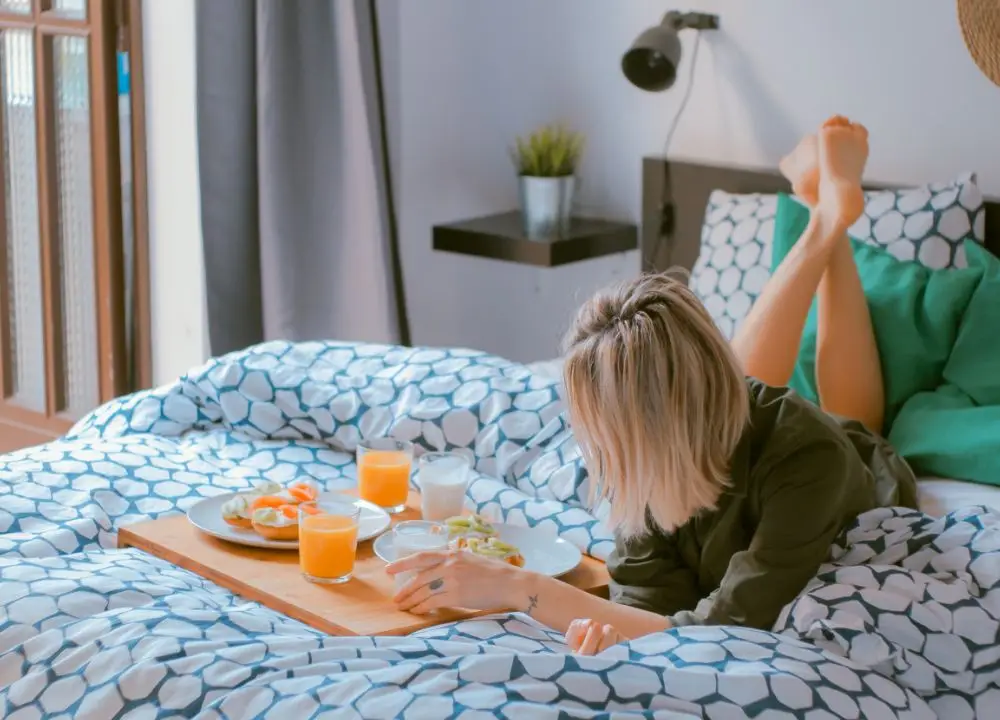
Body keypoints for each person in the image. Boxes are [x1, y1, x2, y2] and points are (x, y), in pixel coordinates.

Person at [386, 115, 917, 655]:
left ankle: (829, 219)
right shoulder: (640, 462)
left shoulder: (809, 461)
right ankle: (826, 214)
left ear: (652, 426)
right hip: (715, 422)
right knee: (743, 379)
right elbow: (648, 603)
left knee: (855, 418)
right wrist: (616, 629)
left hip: (850, 459)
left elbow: (729, 628)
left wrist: (521, 588)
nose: (595, 454)